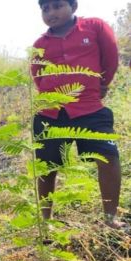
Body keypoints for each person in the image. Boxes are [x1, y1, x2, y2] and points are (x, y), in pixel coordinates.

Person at [32, 0, 122, 227]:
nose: (51, 13)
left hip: (91, 108)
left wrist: (102, 85)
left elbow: (110, 57)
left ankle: (110, 218)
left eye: (57, 6)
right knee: (46, 167)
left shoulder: (95, 27)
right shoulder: (39, 45)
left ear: (73, 7)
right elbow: (38, 76)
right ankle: (45, 222)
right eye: (45, 9)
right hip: (50, 114)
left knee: (108, 157)